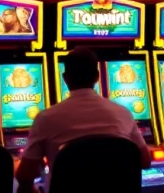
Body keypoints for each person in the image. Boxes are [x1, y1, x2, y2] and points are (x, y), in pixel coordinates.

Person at [16, 47, 151, 193]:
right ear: (97, 77)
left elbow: (25, 176)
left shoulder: (45, 118)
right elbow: (145, 161)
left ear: (65, 78)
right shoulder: (123, 113)